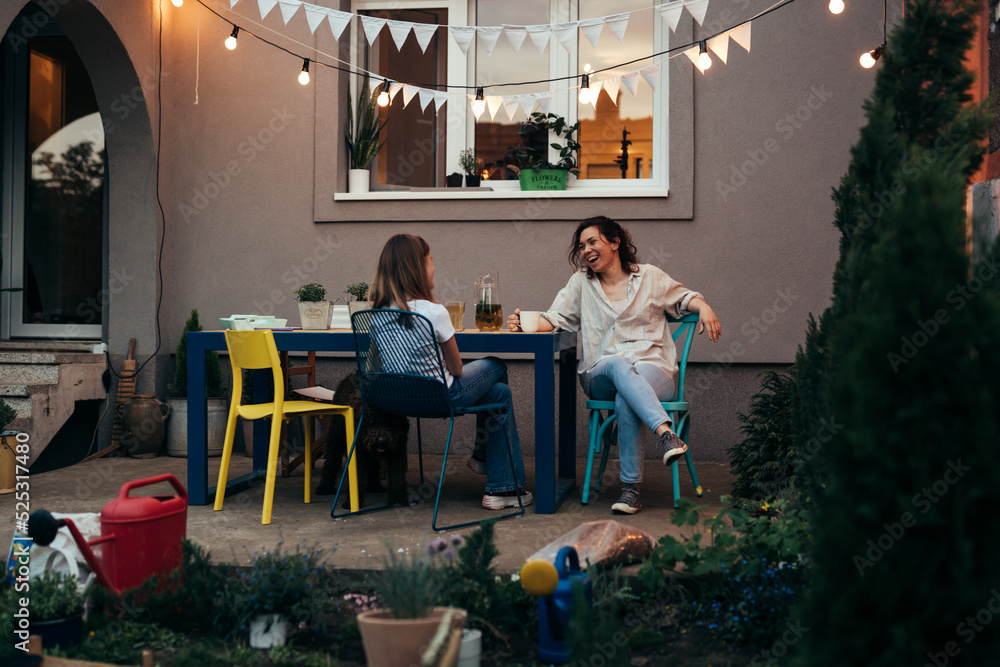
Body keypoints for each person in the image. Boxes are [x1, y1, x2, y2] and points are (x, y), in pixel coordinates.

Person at [506, 216, 721, 515]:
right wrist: (524, 324)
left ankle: (630, 490)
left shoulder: (650, 277)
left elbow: (684, 298)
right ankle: (666, 434)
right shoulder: (581, 282)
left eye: (592, 242)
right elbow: (555, 319)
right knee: (619, 366)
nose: (586, 250)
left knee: (626, 397)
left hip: (652, 368)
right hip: (601, 371)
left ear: (615, 243)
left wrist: (705, 307)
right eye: (581, 246)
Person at [369, 234, 532, 510]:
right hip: (442, 397)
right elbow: (456, 369)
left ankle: (497, 485)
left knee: (499, 393)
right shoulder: (434, 312)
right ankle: (495, 477)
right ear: (417, 268)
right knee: (497, 365)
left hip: (394, 399)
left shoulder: (376, 314)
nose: (434, 267)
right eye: (431, 261)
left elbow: (378, 365)